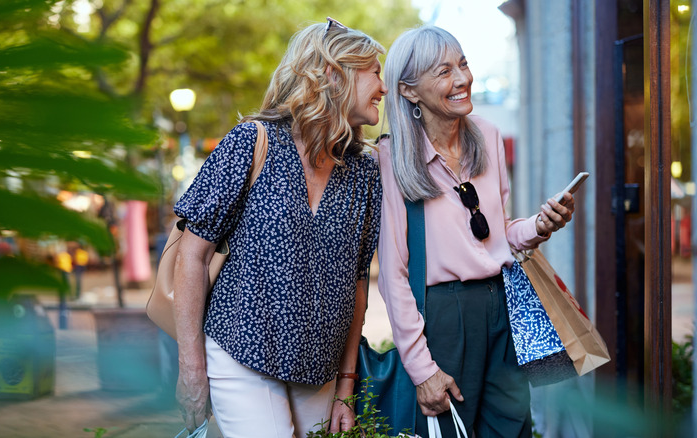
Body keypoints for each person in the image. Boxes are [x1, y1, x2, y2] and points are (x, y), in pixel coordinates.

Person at [172, 18, 386, 437]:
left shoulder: (365, 172)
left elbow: (357, 286)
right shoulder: (252, 142)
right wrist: (192, 368)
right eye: (374, 71)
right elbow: (191, 257)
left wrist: (346, 387)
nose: (382, 85)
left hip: (319, 369)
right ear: (333, 74)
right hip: (241, 348)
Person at [376, 26, 576, 437]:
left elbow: (497, 233)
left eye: (463, 64)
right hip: (446, 318)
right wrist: (422, 368)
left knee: (512, 428)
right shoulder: (391, 157)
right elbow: (394, 276)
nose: (463, 78)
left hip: (502, 306)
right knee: (452, 431)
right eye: (444, 71)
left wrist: (538, 226)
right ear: (410, 91)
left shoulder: (487, 135)